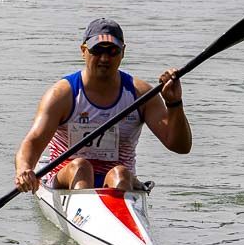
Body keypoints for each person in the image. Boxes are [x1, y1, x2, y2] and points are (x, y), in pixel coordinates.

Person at [14, 18, 191, 193]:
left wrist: (174, 103)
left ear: (123, 52)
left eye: (112, 51)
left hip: (117, 180)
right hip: (67, 176)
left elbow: (181, 147)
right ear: (83, 51)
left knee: (121, 173)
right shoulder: (62, 95)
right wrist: (24, 170)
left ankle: (117, 210)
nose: (105, 58)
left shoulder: (140, 94)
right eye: (97, 50)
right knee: (81, 167)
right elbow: (33, 141)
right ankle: (84, 212)